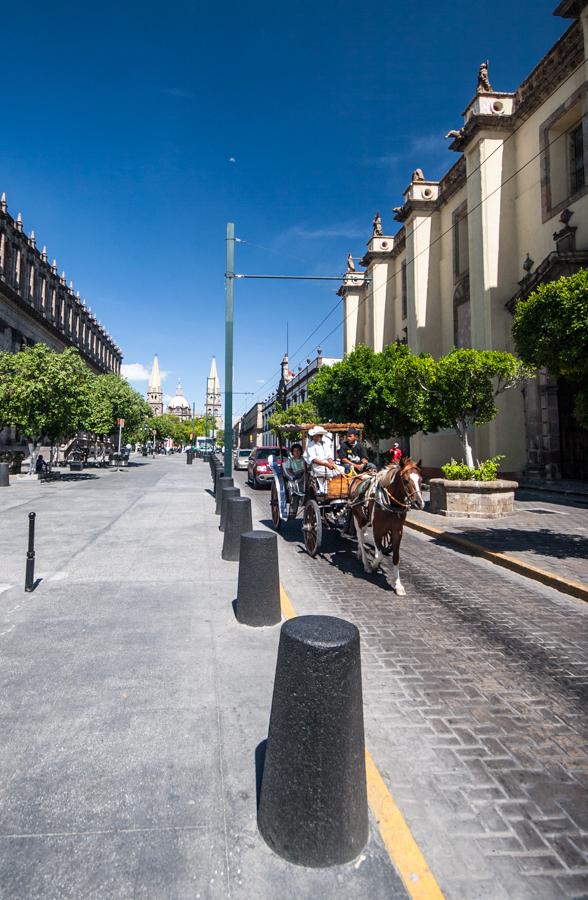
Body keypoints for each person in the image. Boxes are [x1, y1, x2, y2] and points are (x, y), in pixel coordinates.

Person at [304, 426, 344, 492]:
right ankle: (326, 489)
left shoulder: (325, 444)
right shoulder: (310, 445)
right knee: (330, 472)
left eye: (316, 436)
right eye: (314, 436)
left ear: (321, 436)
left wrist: (331, 463)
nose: (314, 437)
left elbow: (329, 456)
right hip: (318, 467)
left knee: (342, 469)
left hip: (327, 464)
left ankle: (335, 488)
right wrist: (326, 464)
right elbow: (314, 460)